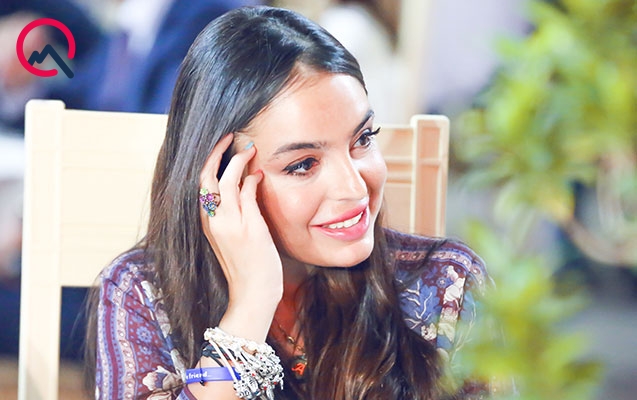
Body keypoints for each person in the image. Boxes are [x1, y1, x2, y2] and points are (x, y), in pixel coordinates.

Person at [85, 5, 489, 399]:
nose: (354, 188)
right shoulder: (141, 294)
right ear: (223, 182)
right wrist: (250, 305)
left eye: (363, 139)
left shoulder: (447, 284)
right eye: (303, 164)